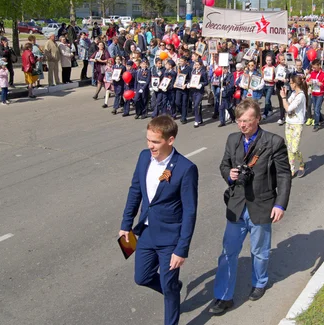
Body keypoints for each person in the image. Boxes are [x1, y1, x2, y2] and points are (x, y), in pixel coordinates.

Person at [210, 99, 291, 315]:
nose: (242, 125)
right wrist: (229, 174)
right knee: (228, 252)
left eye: (246, 121)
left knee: (260, 251)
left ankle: (260, 282)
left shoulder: (273, 142)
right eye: (239, 120)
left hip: (262, 204)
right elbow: (224, 164)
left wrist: (280, 204)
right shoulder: (232, 139)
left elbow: (283, 174)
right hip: (236, 205)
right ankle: (224, 296)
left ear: (257, 119)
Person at [119, 115, 199, 325]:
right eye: (148, 140)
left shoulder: (185, 168)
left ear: (170, 140)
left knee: (168, 284)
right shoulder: (144, 157)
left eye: (155, 142)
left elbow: (190, 211)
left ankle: (171, 305)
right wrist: (126, 225)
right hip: (145, 232)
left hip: (170, 238)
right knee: (142, 277)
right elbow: (135, 191)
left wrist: (182, 249)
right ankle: (173, 288)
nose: (150, 145)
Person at [280, 75, 307, 178]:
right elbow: (287, 104)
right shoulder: (293, 94)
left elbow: (288, 108)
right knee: (289, 147)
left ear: (295, 84)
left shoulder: (301, 96)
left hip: (297, 124)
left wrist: (283, 97)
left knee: (294, 148)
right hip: (289, 122)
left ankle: (301, 163)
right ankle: (291, 168)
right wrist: (285, 97)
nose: (290, 85)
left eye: (291, 83)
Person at [306, 59, 324, 130]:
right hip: (313, 93)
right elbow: (308, 80)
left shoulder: (323, 74)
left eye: (315, 67)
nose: (313, 69)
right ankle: (321, 119)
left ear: (319, 66)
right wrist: (309, 82)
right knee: (316, 108)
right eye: (312, 67)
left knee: (316, 109)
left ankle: (316, 124)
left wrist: (322, 84)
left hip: (320, 94)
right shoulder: (312, 73)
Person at [190, 58, 207, 128]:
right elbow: (191, 79)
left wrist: (201, 84)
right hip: (193, 90)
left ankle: (196, 120)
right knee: (197, 105)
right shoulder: (193, 71)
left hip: (199, 91)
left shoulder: (203, 72)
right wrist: (189, 84)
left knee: (196, 105)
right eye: (195, 64)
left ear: (200, 65)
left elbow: (206, 82)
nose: (196, 66)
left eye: (197, 65)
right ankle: (200, 119)